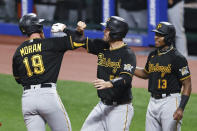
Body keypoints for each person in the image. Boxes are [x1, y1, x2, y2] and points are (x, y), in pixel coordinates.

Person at [12, 13, 83, 131]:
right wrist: (65, 29)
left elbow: (18, 79)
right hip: (47, 97)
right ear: (39, 27)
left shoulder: (18, 51)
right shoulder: (51, 44)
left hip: (27, 100)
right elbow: (79, 40)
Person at [79, 16, 136, 131]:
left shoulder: (127, 54)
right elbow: (80, 42)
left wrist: (109, 83)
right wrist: (79, 32)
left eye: (107, 29)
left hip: (120, 109)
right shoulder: (102, 47)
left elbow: (126, 78)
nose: (104, 31)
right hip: (102, 106)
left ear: (116, 33)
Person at [134, 22, 192, 131]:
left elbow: (187, 84)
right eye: (156, 34)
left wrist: (181, 108)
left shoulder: (177, 58)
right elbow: (146, 73)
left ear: (168, 37)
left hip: (170, 102)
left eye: (159, 35)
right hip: (152, 101)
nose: (156, 37)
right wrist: (130, 68)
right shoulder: (153, 55)